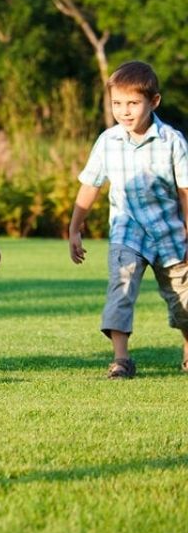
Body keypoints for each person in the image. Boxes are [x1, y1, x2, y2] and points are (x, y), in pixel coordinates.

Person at [68, 60, 188, 379]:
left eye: (133, 103)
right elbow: (90, 185)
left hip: (170, 233)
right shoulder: (108, 141)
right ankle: (121, 359)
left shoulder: (173, 141)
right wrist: (74, 228)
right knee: (120, 289)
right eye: (117, 103)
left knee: (183, 305)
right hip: (127, 230)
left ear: (154, 101)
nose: (125, 111)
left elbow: (185, 191)